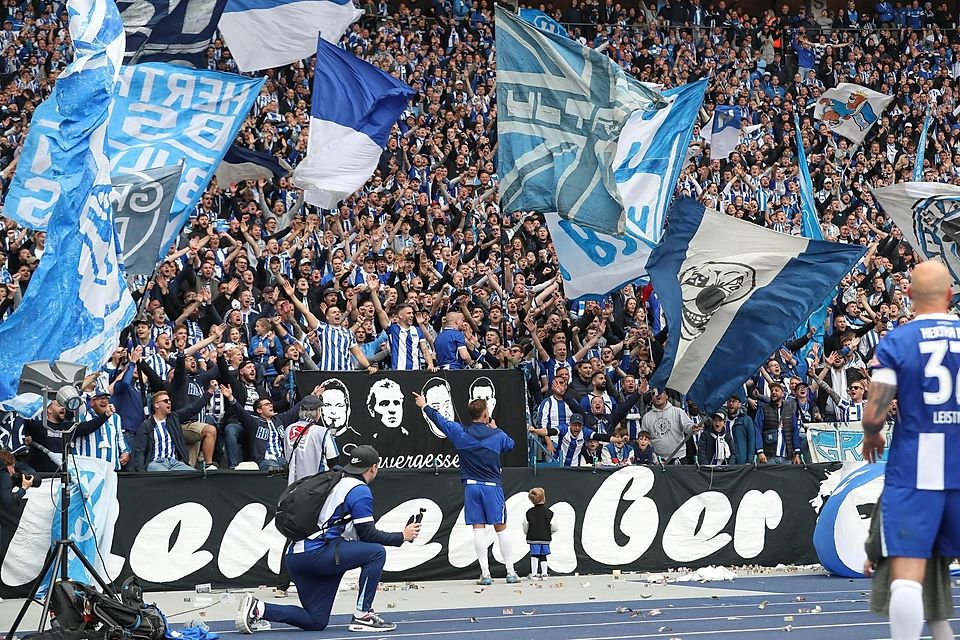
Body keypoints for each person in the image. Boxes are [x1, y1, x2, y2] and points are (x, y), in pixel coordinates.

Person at [861, 261, 960, 640]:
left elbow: (874, 412)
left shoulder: (898, 341)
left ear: (907, 296)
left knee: (907, 578)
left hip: (918, 468)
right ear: (950, 294)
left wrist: (873, 435)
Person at [236, 445, 420, 634]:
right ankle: (363, 615)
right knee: (376, 553)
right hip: (318, 554)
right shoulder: (359, 490)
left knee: (316, 621)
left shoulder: (334, 479)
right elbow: (368, 534)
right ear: (374, 467)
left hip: (295, 556)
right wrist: (401, 537)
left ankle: (259, 608)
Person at [414, 391, 518, 585]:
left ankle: (485, 574)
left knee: (478, 528)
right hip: (492, 486)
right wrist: (496, 428)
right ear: (486, 415)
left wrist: (424, 405)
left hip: (471, 486)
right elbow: (510, 445)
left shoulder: (460, 433)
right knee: (500, 528)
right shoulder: (497, 435)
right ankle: (510, 572)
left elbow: (441, 421)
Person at [863, 498, 953, 640]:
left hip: (902, 553)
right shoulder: (943, 487)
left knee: (904, 594)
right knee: (936, 616)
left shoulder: (898, 486)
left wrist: (872, 554)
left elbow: (881, 525)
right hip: (934, 560)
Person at [523, 487, 557, 580]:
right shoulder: (550, 513)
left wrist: (527, 533)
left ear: (531, 500)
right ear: (544, 498)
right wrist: (549, 532)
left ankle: (534, 574)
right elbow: (555, 527)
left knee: (534, 555)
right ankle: (545, 574)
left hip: (533, 538)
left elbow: (525, 526)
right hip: (545, 538)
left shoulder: (529, 512)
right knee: (543, 555)